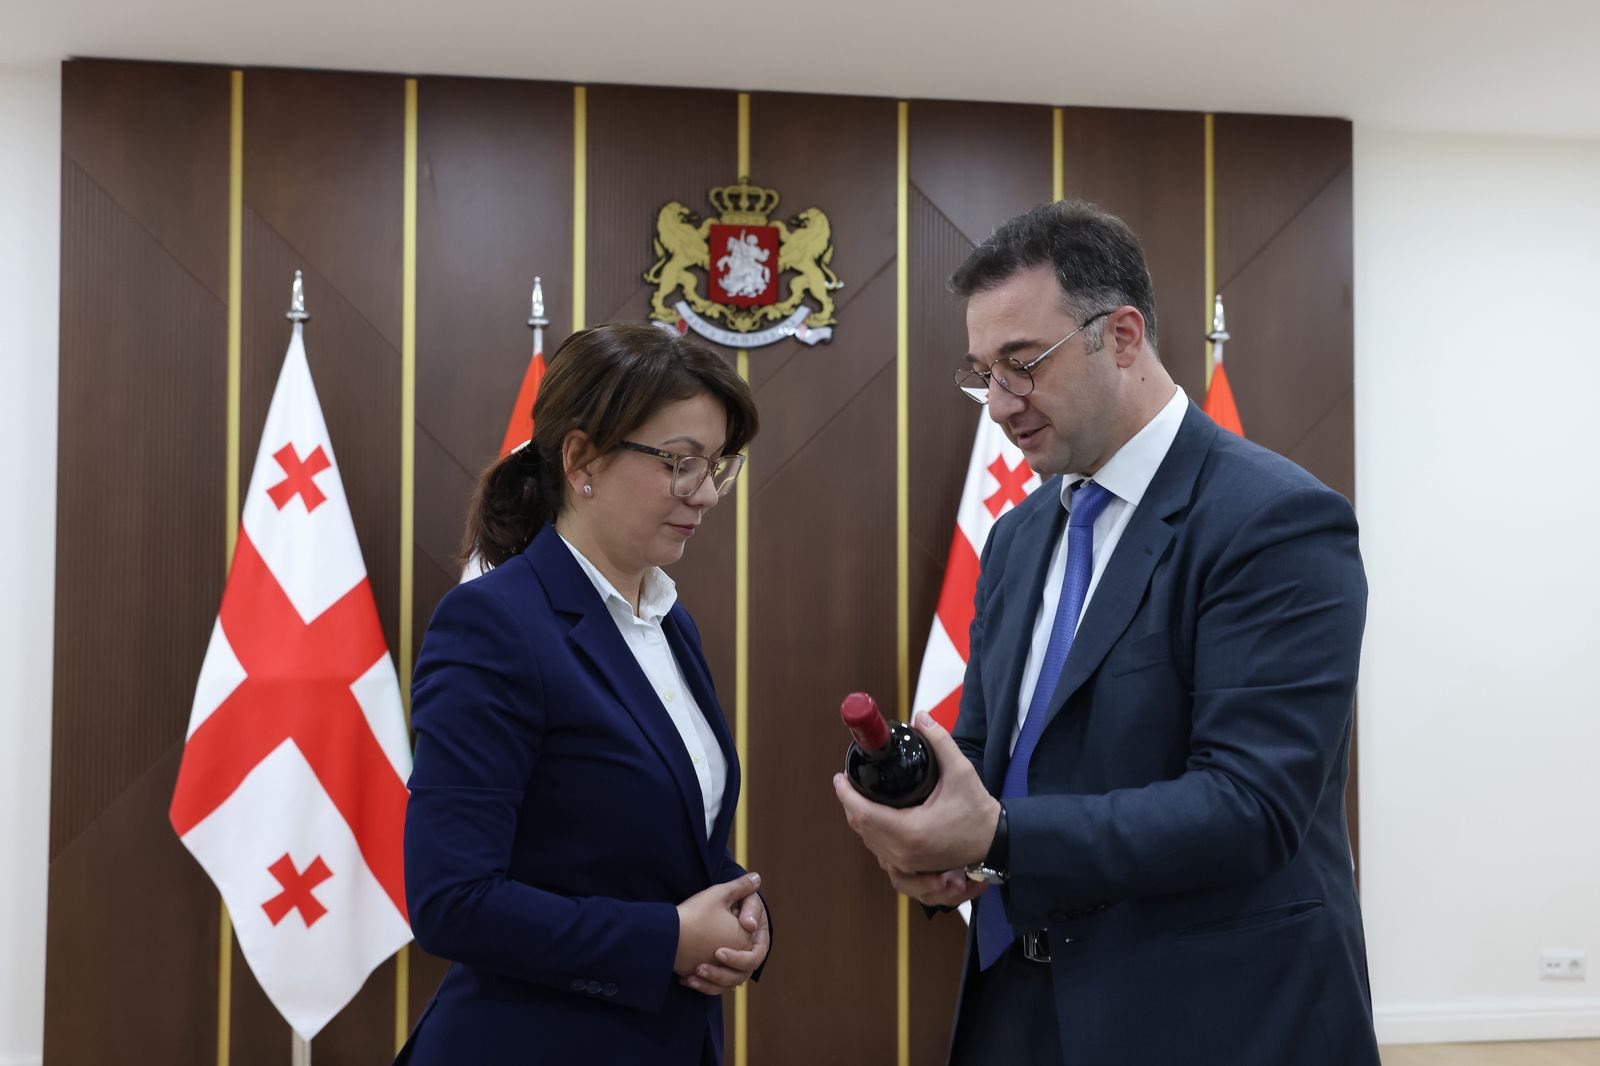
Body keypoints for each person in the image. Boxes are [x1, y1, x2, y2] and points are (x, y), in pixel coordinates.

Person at [833, 200, 1378, 1064]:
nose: (999, 405)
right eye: (983, 374)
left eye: (1022, 365)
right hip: (1016, 1000)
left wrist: (999, 838)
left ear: (1122, 336)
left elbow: (1251, 805)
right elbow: (992, 753)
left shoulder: (1274, 521)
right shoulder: (1017, 536)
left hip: (1210, 1016)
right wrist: (930, 825)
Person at [400, 324, 769, 1065]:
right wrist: (667, 939)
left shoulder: (668, 621)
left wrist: (744, 912)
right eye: (680, 463)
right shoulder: (495, 624)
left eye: (717, 466)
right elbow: (452, 901)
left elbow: (654, 843)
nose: (705, 493)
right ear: (581, 460)